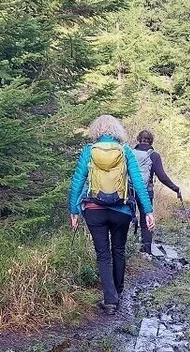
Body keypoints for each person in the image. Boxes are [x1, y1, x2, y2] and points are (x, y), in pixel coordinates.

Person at [68, 114, 153, 315]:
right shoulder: (125, 152)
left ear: (96, 131)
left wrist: (73, 210)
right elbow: (138, 183)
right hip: (121, 210)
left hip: (94, 210)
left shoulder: (89, 151)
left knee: (103, 254)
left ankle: (110, 300)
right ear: (117, 131)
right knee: (119, 251)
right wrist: (148, 210)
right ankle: (118, 292)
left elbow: (77, 181)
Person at [132, 130, 182, 255]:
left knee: (129, 217)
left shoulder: (130, 153)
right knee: (146, 220)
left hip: (130, 190)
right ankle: (146, 250)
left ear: (139, 139)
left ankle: (128, 248)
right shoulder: (154, 155)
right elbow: (162, 176)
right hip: (146, 191)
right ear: (151, 141)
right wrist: (175, 188)